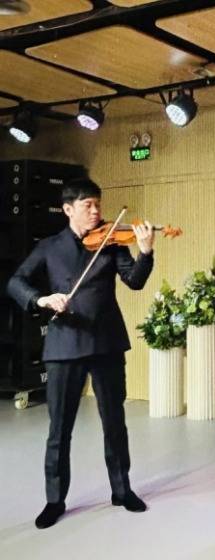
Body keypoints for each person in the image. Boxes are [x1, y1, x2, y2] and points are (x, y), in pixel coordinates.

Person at [7, 177, 155, 529]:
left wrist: (146, 252)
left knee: (114, 422)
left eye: (98, 205)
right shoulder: (49, 247)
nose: (96, 211)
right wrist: (42, 299)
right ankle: (54, 500)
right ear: (68, 209)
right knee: (60, 429)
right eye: (88, 205)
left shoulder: (111, 242)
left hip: (106, 344)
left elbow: (134, 281)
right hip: (64, 346)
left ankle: (122, 490)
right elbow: (16, 282)